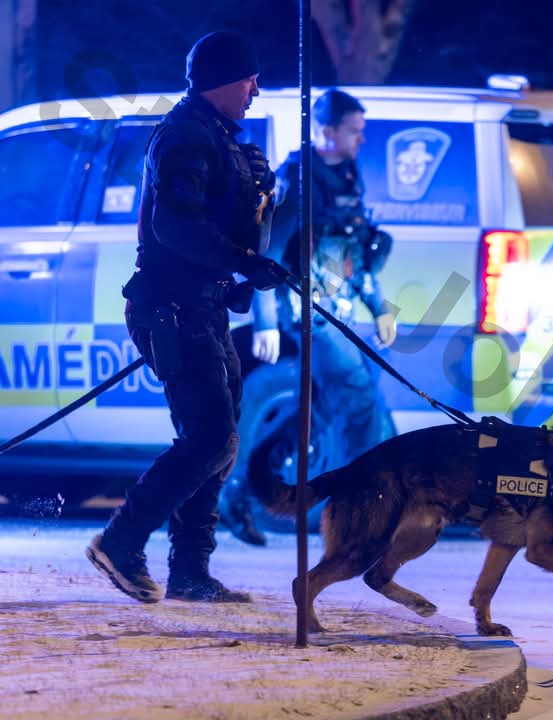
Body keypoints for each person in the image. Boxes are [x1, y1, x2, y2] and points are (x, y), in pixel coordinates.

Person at [86, 31, 288, 603]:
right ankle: (119, 542)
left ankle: (191, 572)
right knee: (207, 438)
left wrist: (259, 199)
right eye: (249, 79)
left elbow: (225, 225)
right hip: (171, 308)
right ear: (225, 78)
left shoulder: (216, 138)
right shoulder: (185, 137)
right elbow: (173, 228)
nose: (256, 91)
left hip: (202, 306)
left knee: (220, 438)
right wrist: (245, 261)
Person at [218, 89, 397, 546]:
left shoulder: (346, 176)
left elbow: (353, 250)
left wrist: (378, 308)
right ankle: (356, 514)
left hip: (334, 310)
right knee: (358, 400)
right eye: (354, 131)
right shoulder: (299, 180)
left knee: (321, 409)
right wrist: (265, 322)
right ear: (327, 130)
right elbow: (268, 253)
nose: (361, 139)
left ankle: (239, 490)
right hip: (303, 314)